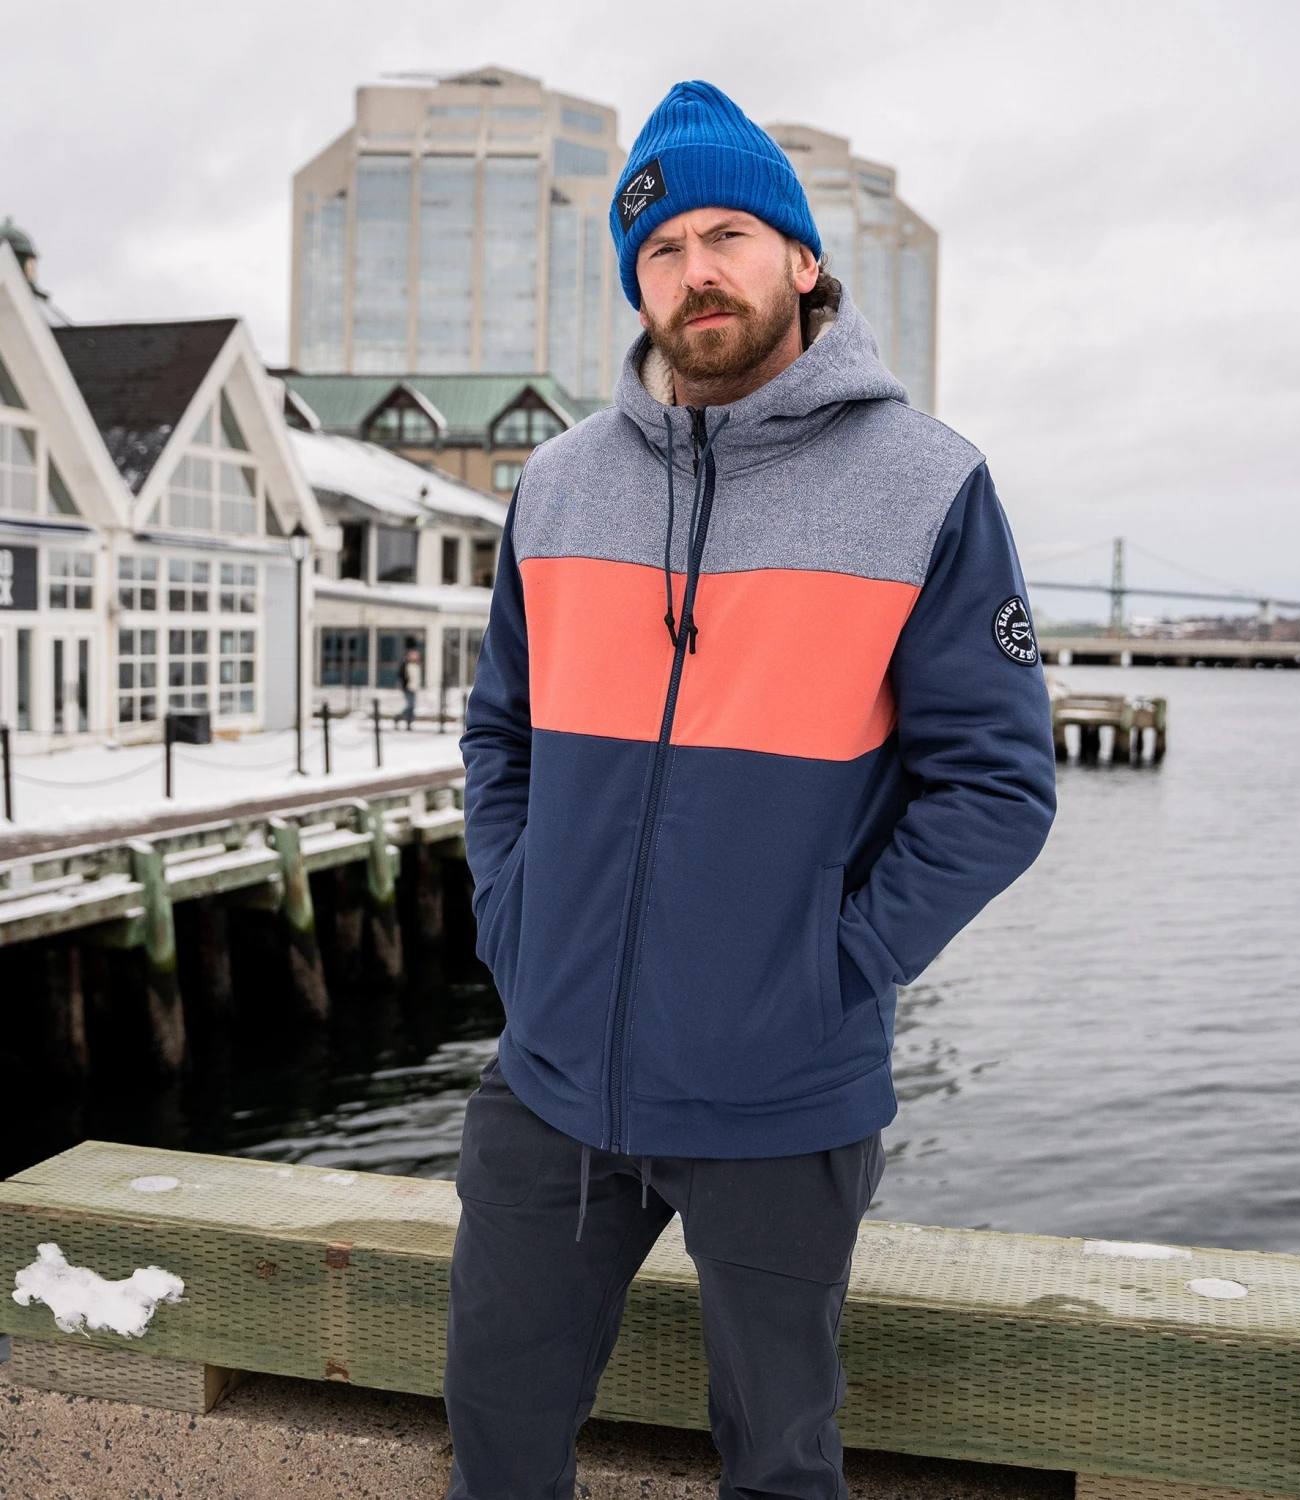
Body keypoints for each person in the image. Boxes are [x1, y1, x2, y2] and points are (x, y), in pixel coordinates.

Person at [451, 80, 1056, 1500]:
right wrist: (516, 922)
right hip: (552, 1077)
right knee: (494, 1428)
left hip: (784, 1096)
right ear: (636, 282)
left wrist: (826, 971)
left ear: (801, 258)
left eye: (728, 235)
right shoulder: (556, 484)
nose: (696, 271)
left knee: (781, 1459)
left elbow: (997, 787)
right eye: (662, 249)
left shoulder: (928, 486)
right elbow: (499, 739)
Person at [400, 648, 420, 729]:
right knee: (410, 705)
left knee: (412, 706)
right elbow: (401, 675)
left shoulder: (417, 665)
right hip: (408, 688)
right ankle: (399, 717)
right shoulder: (406, 665)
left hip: (414, 688)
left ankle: (409, 722)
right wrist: (406, 683)